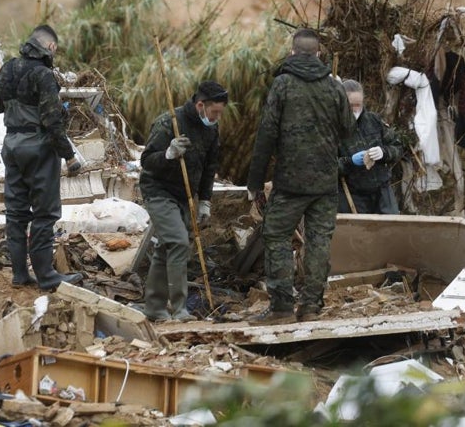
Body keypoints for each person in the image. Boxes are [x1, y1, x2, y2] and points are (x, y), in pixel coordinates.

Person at [247, 29, 354, 323]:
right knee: (319, 242)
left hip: (290, 182)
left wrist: (254, 181)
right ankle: (310, 307)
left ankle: (281, 307)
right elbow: (348, 129)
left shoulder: (282, 84)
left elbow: (266, 135)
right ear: (319, 54)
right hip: (324, 182)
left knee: (278, 236)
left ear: (293, 52)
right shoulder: (334, 88)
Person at [0, 24, 83, 291]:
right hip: (39, 148)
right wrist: (69, 156)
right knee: (44, 213)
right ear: (50, 47)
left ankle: (19, 275)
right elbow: (52, 121)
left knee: (16, 212)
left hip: (12, 144)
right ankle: (47, 276)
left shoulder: (8, 69)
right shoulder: (44, 75)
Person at [138, 80, 229, 322]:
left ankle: (155, 307)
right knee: (178, 243)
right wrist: (168, 154)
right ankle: (179, 309)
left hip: (184, 194)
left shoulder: (211, 129)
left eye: (221, 113)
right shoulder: (171, 122)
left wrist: (206, 201)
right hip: (158, 190)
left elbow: (210, 167)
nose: (217, 117)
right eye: (214, 112)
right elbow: (146, 160)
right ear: (200, 105)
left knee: (166, 247)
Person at [339, 80, 403, 215]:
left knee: (391, 230)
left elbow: (397, 147)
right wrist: (351, 162)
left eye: (358, 105)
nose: (355, 109)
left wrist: (384, 153)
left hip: (382, 191)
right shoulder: (333, 128)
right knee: (359, 233)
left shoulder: (373, 120)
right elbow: (325, 167)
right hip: (353, 194)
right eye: (351, 105)